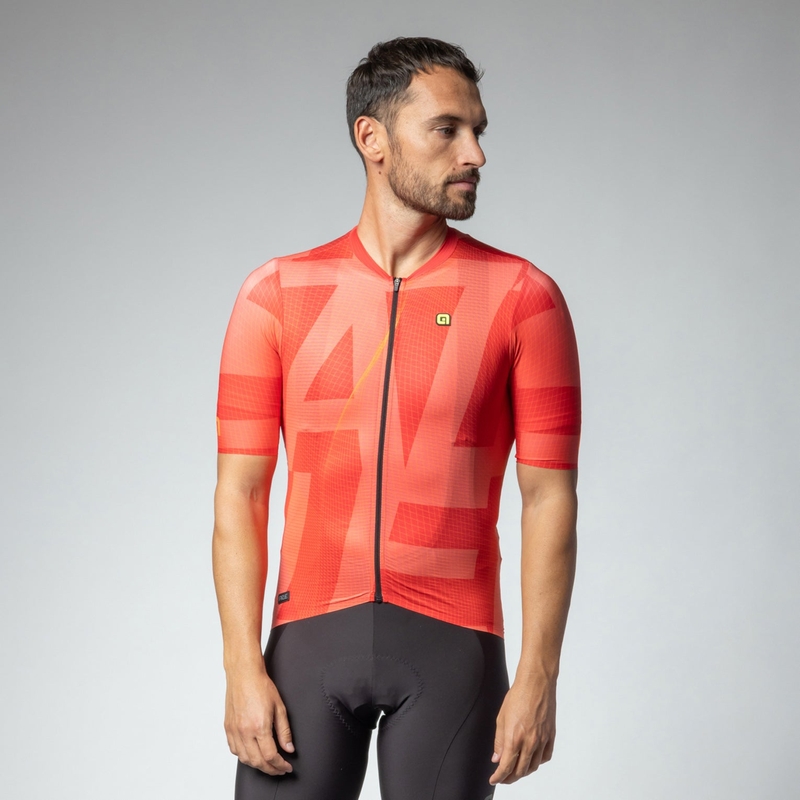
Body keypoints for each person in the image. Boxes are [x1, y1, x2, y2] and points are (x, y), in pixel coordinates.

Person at [212, 36, 581, 800]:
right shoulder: (275, 296)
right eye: (447, 129)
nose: (475, 153)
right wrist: (241, 667)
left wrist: (539, 678)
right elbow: (240, 494)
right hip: (309, 645)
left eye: (478, 130)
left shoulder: (524, 299)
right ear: (372, 138)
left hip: (452, 651)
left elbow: (549, 497)